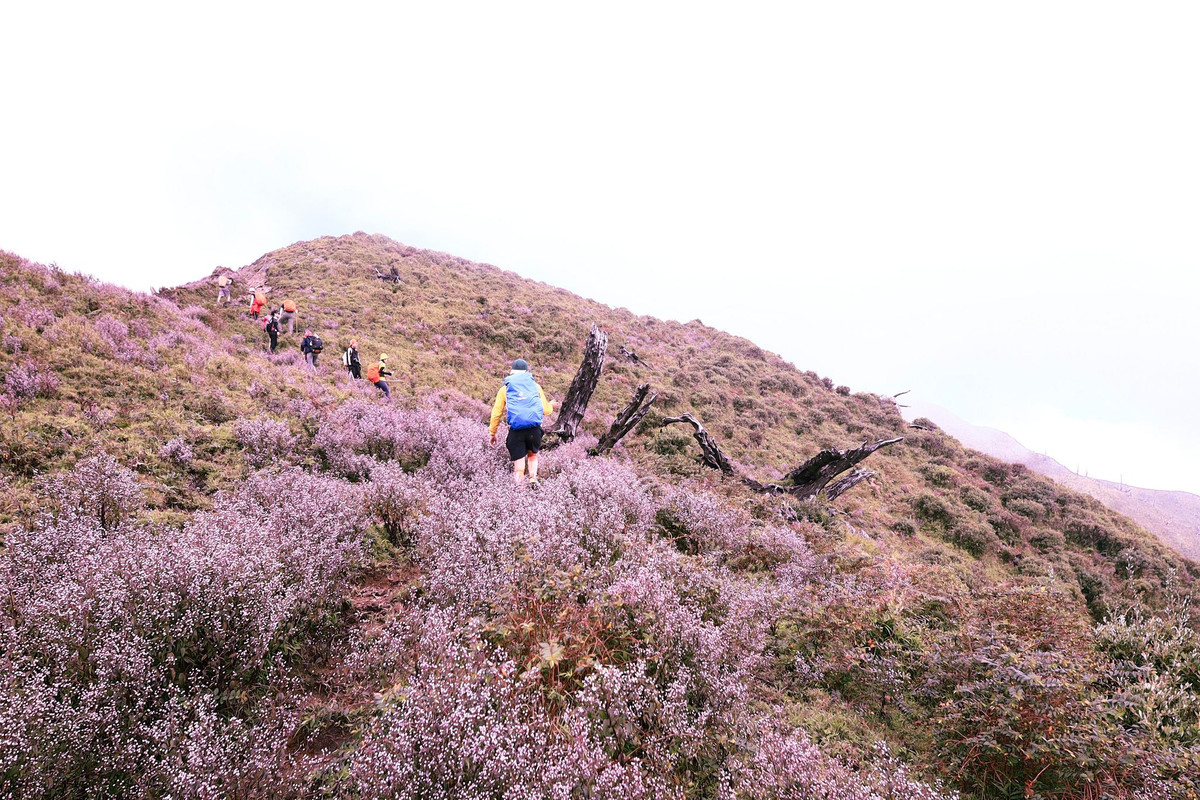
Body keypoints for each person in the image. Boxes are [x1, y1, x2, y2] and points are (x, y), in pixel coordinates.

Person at [489, 358, 554, 486]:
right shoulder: (536, 387)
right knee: (532, 454)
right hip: (534, 430)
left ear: (512, 372)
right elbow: (546, 410)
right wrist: (551, 406)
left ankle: (520, 489)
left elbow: (496, 413)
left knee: (518, 464)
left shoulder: (505, 389)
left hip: (516, 431)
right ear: (526, 372)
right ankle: (533, 478)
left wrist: (493, 433)